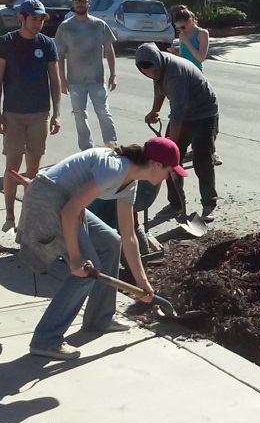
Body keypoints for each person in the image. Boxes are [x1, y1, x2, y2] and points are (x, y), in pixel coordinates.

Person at [19, 138, 182, 359]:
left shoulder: (130, 182)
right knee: (88, 267)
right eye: (170, 172)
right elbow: (68, 212)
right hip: (48, 196)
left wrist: (141, 281)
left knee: (111, 242)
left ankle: (100, 317)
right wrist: (76, 258)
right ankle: (45, 339)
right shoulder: (116, 168)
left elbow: (129, 235)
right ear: (157, 164)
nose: (169, 177)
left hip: (67, 201)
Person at [0, 0, 62, 232]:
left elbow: (54, 79)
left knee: (33, 167)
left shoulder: (47, 43)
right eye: (34, 18)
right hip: (13, 114)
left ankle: (28, 216)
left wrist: (56, 113)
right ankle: (9, 214)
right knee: (13, 164)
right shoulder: (6, 43)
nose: (38, 23)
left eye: (41, 19)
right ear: (21, 18)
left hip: (39, 113)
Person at [134, 42, 219, 223]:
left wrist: (170, 145)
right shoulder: (157, 67)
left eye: (153, 71)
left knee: (202, 160)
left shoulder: (174, 73)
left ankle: (209, 203)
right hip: (184, 115)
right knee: (168, 163)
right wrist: (155, 110)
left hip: (204, 114)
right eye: (147, 73)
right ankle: (176, 204)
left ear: (158, 61)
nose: (151, 75)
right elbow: (159, 89)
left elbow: (178, 113)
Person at [54, 0, 119, 151]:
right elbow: (59, 56)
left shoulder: (99, 25)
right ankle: (86, 149)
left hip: (96, 79)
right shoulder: (65, 27)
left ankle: (111, 145)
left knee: (103, 112)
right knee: (79, 114)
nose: (80, 4)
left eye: (83, 1)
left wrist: (113, 75)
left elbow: (109, 50)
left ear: (89, 3)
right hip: (75, 81)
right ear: (73, 3)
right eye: (76, 1)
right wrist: (62, 80)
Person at [167, 5, 222, 165]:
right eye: (178, 29)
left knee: (202, 114)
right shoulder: (184, 35)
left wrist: (186, 42)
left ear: (190, 21)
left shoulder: (202, 34)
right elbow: (185, 57)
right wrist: (175, 54)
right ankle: (192, 148)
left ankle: (212, 151)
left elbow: (200, 57)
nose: (181, 31)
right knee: (187, 113)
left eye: (183, 27)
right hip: (183, 76)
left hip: (197, 77)